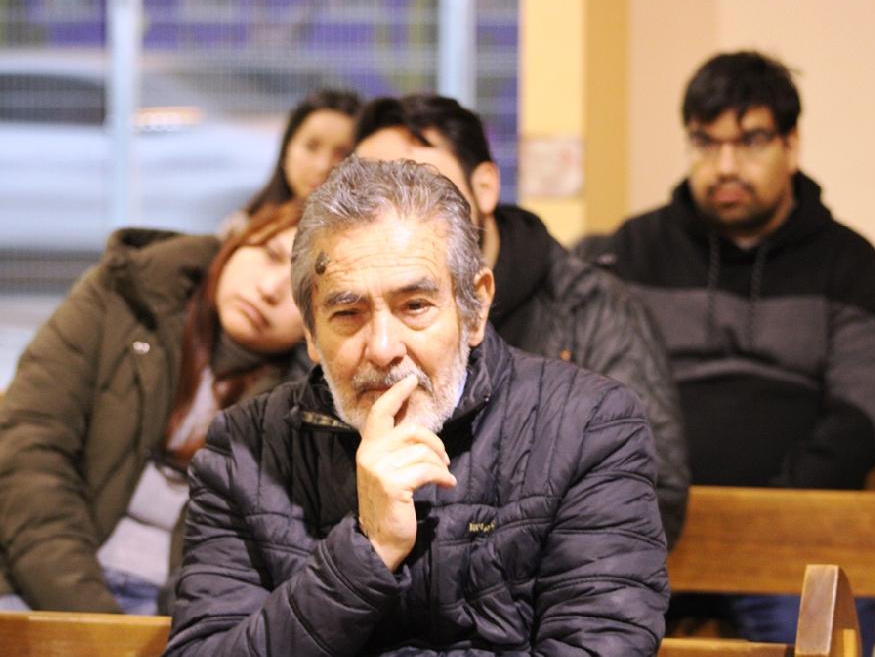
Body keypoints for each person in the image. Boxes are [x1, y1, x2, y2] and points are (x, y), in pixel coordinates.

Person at [164, 157, 669, 655]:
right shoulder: (246, 448)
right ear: (311, 331)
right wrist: (367, 550)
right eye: (348, 312)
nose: (383, 348)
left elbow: (600, 642)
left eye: (415, 306)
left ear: (475, 307)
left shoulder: (589, 426)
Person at [576, 51, 875, 656]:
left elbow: (862, 418)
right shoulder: (630, 251)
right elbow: (589, 391)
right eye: (706, 142)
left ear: (791, 145)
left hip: (791, 541)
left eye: (750, 142)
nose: (725, 167)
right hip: (644, 530)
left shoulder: (849, 263)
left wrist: (758, 519)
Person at [353, 94, 689, 546]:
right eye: (368, 194)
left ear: (485, 187)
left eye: (419, 184)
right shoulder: (345, 316)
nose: (392, 214)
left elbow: (651, 485)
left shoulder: (590, 306)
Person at [0, 201, 308, 615]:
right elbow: (30, 450)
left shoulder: (302, 400)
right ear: (240, 240)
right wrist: (94, 622)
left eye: (300, 291)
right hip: (36, 581)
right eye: (269, 254)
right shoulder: (123, 292)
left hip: (180, 616)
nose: (269, 289)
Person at [218, 88, 361, 237]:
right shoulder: (241, 226)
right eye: (311, 147)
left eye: (343, 154)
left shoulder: (359, 241)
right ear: (287, 148)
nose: (323, 166)